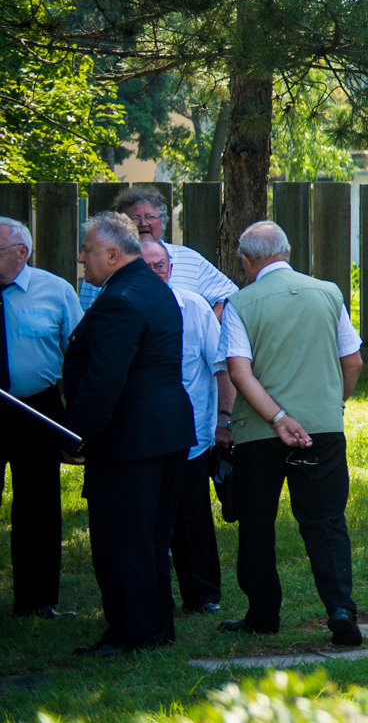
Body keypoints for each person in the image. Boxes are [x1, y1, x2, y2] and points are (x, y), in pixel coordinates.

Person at [221, 221, 364, 646]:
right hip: (321, 429)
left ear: (247, 260)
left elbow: (238, 372)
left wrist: (278, 416)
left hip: (258, 434)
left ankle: (262, 614)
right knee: (325, 520)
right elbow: (353, 361)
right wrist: (332, 405)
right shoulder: (329, 293)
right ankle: (340, 608)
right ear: (287, 251)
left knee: (257, 524)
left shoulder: (239, 303)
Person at [63, 212, 195, 654]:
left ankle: (129, 633)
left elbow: (105, 379)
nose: (82, 258)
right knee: (151, 536)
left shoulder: (119, 298)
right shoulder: (154, 288)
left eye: (87, 250)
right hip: (166, 432)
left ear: (113, 254)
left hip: (130, 439)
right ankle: (155, 626)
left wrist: (76, 436)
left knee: (122, 538)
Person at [141, 238, 233, 614]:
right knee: (145, 518)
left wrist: (224, 420)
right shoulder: (117, 308)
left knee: (192, 516)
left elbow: (221, 365)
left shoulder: (194, 306)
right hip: (140, 436)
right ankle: (150, 595)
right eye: (144, 266)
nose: (153, 273)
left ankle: (203, 596)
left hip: (191, 433)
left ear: (171, 269)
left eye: (159, 266)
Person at [0, 215, 83, 619]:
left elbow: (79, 354)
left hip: (37, 408)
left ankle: (37, 601)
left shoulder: (55, 290)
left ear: (21, 252)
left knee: (38, 506)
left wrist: (77, 417)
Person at [79, 187, 237, 312]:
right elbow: (86, 314)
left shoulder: (190, 259)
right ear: (121, 227)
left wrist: (208, 324)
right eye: (134, 218)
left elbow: (231, 296)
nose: (143, 224)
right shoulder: (104, 265)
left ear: (163, 223)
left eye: (150, 217)